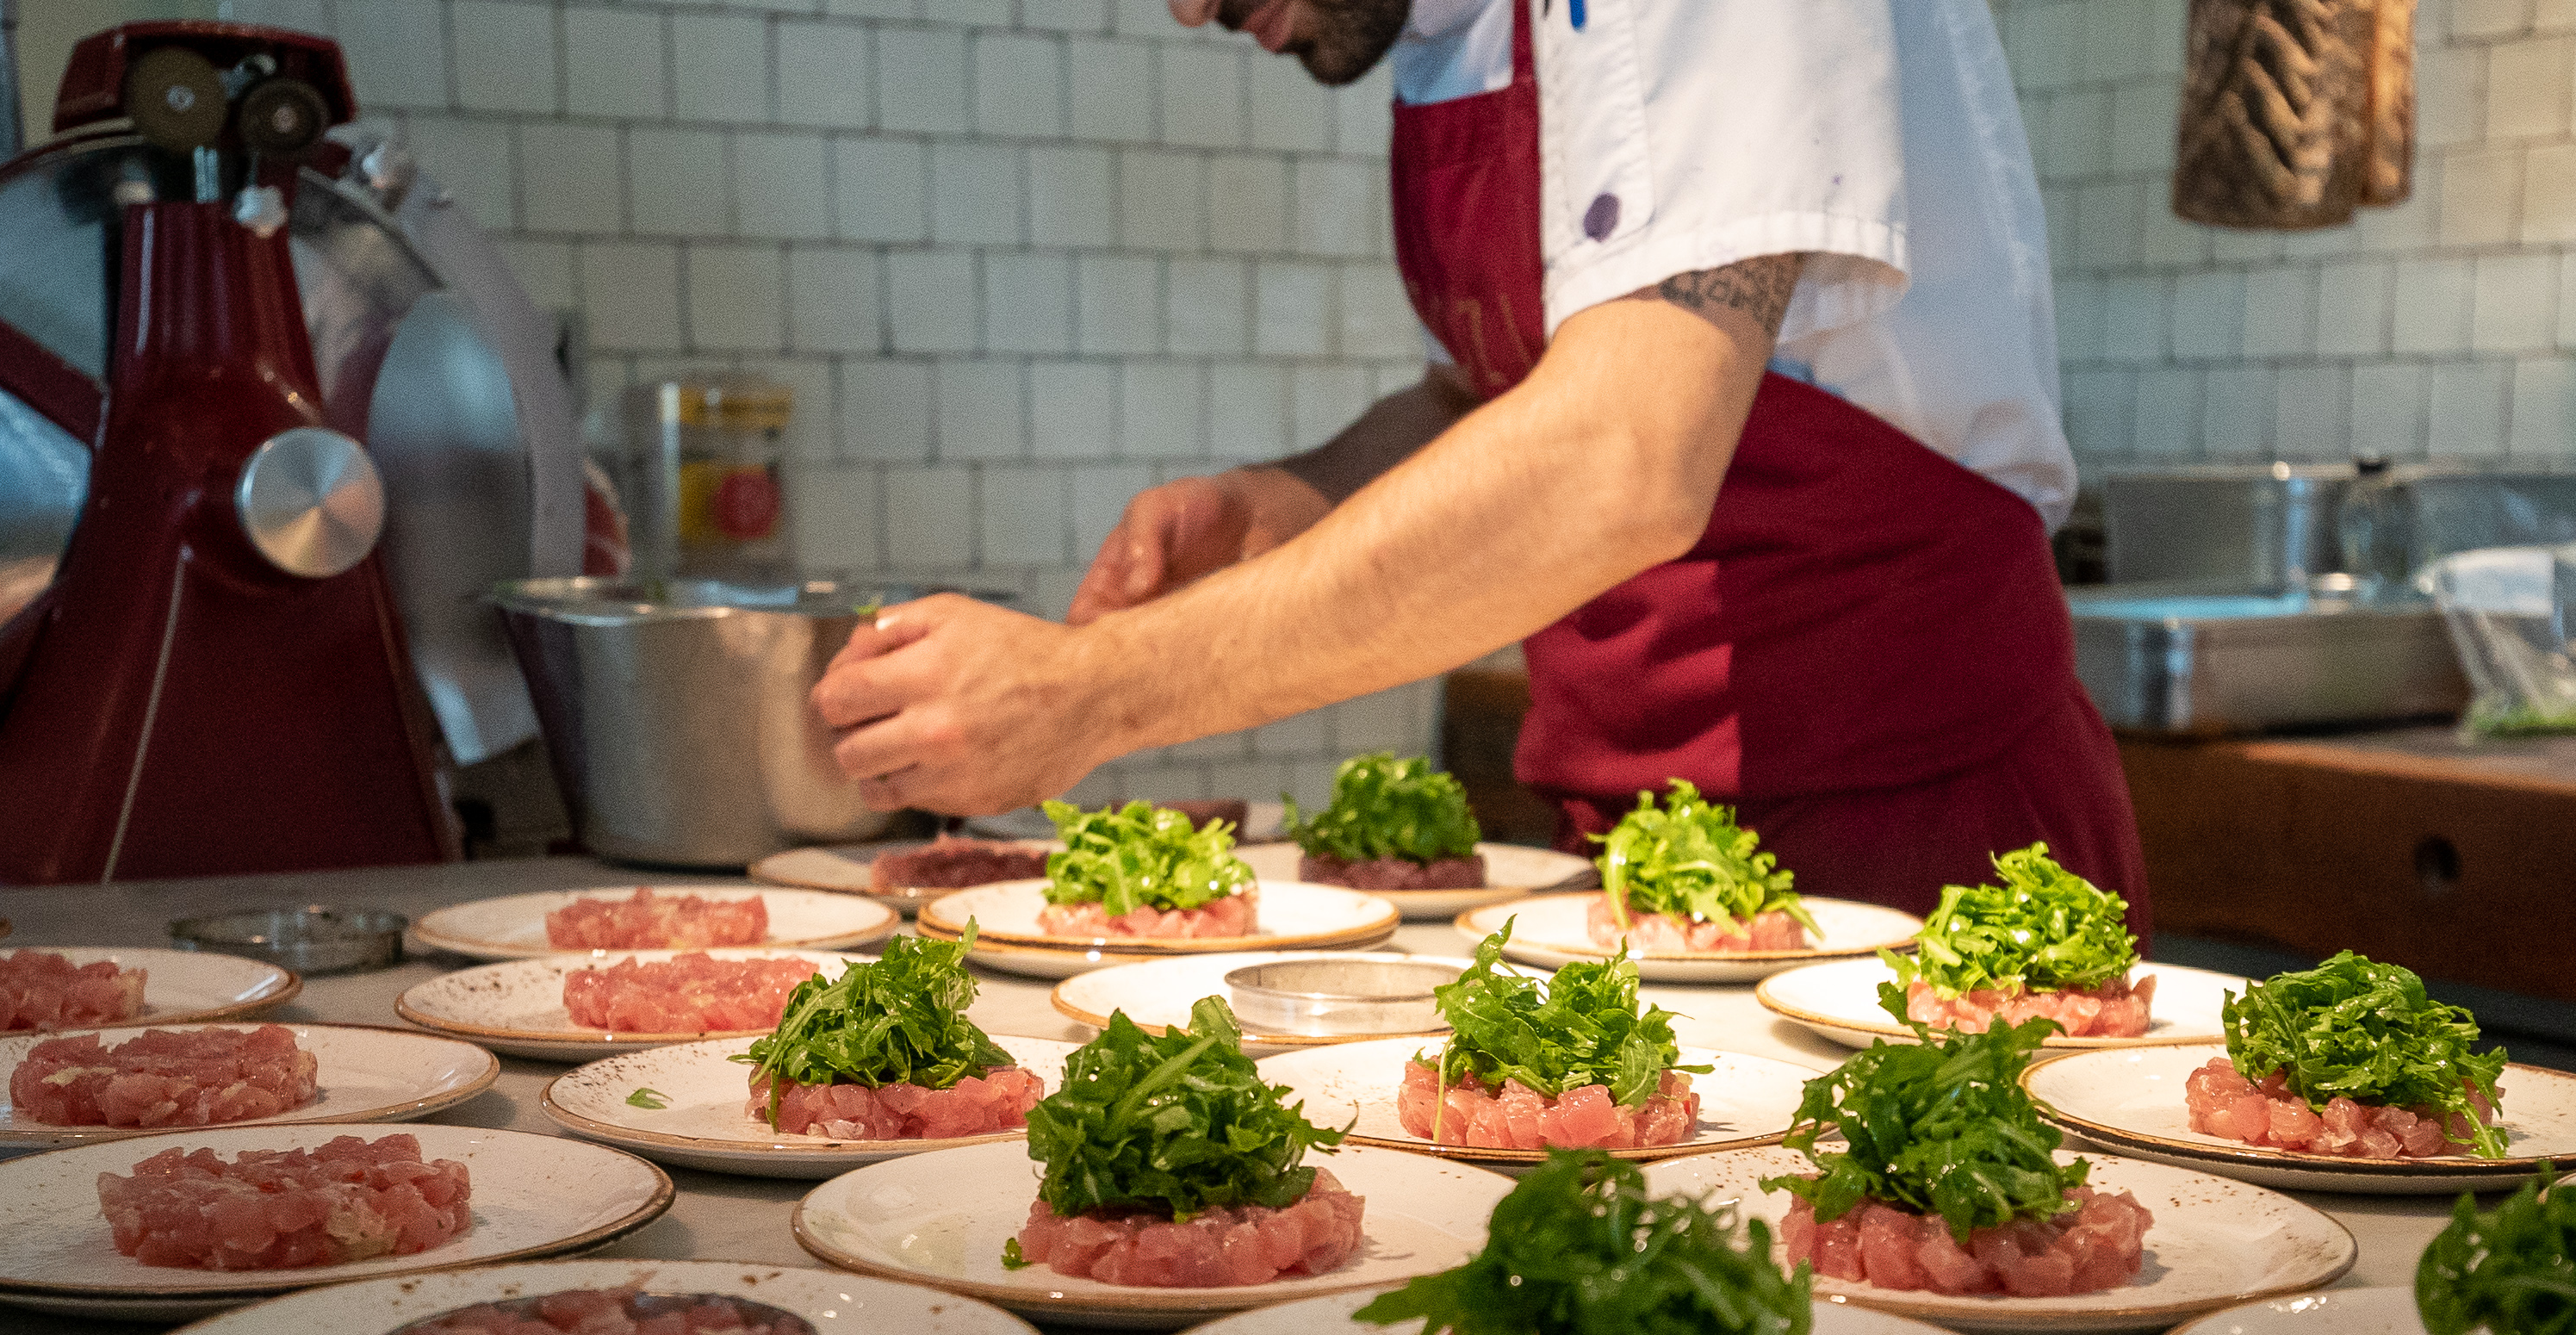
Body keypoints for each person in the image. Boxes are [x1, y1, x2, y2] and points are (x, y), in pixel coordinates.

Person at [811, 0, 2147, 923]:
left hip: (1907, 841)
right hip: (1631, 843)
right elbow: (1508, 391)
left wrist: (1092, 693)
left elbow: (1623, 457)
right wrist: (1298, 495)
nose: (1187, 10)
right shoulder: (1455, 36)